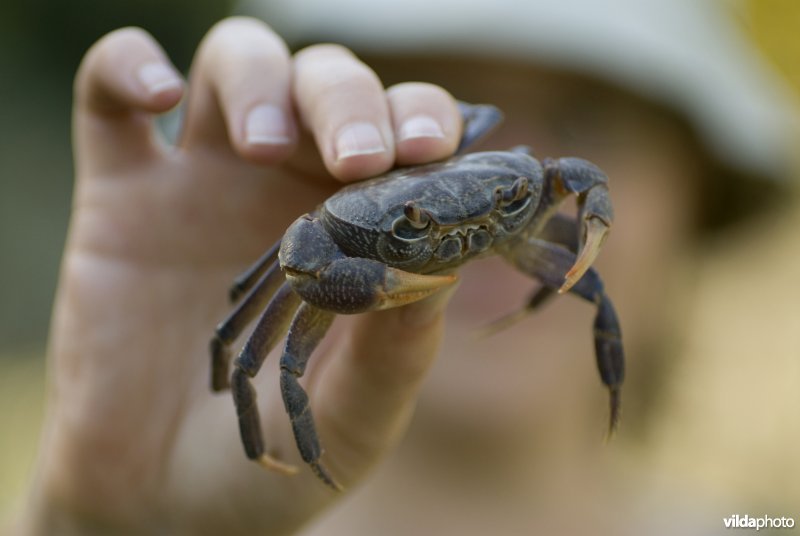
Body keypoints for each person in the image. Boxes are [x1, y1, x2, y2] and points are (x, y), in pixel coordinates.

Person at [13, 1, 798, 534]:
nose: (469, 245)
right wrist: (95, 527)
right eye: (439, 110)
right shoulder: (309, 245)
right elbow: (250, 351)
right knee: (274, 356)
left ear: (702, 196)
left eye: (585, 115)